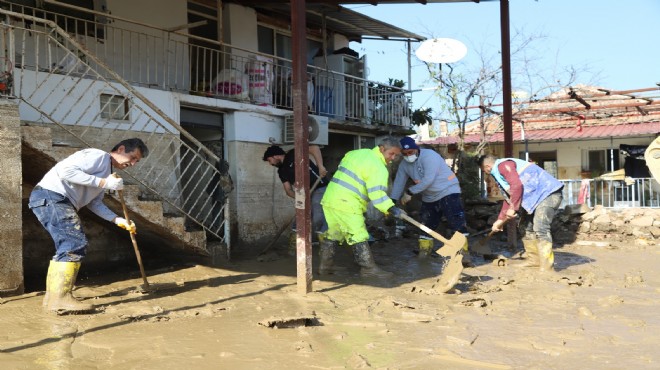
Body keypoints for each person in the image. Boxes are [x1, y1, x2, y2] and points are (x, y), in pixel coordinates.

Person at [28, 138, 149, 313]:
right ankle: (60, 298)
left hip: (54, 200)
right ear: (121, 149)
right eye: (133, 157)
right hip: (52, 196)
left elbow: (95, 204)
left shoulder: (106, 171)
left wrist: (118, 220)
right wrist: (103, 183)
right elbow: (66, 171)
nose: (133, 163)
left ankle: (53, 298)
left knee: (68, 244)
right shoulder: (98, 156)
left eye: (137, 161)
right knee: (73, 243)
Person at [320, 136, 406, 278]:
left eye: (396, 155)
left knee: (334, 233)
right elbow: (377, 195)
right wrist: (391, 208)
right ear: (382, 149)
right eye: (391, 153)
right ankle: (368, 269)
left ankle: (325, 266)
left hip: (330, 198)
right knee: (359, 235)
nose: (393, 158)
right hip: (347, 202)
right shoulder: (378, 167)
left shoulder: (356, 153)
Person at [478, 154, 563, 272]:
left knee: (541, 227)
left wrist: (513, 207)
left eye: (484, 171)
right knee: (524, 226)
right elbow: (510, 197)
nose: (487, 173)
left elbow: (517, 186)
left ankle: (547, 266)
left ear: (487, 166)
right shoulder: (501, 173)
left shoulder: (503, 166)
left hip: (548, 193)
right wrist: (500, 220)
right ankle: (534, 260)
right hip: (536, 198)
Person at [390, 137, 470, 262]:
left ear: (416, 149)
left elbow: (428, 180)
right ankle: (424, 252)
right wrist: (392, 202)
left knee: (456, 221)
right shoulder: (404, 164)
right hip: (429, 196)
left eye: (410, 152)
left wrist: (409, 192)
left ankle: (463, 253)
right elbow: (399, 182)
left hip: (448, 190)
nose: (408, 155)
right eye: (404, 154)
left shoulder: (429, 156)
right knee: (426, 224)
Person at [262, 144, 328, 254]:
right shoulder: (281, 171)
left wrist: (320, 166)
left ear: (275, 156)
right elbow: (288, 190)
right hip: (304, 193)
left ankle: (326, 246)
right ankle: (295, 248)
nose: (270, 164)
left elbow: (314, 148)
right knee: (299, 218)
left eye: (270, 160)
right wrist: (300, 198)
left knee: (318, 214)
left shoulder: (294, 153)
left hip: (319, 186)